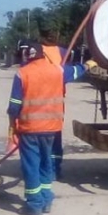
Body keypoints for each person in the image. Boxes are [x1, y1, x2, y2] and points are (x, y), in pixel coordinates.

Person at [7, 40, 95, 215]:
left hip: (30, 129)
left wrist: (12, 126)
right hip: (52, 129)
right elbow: (76, 71)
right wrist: (88, 64)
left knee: (31, 166)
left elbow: (14, 106)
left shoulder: (22, 74)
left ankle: (34, 204)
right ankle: (46, 199)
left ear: (26, 55)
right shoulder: (57, 70)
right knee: (46, 164)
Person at [40, 29, 69, 180]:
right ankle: (53, 170)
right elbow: (67, 73)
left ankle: (47, 169)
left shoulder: (37, 51)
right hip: (55, 99)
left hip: (39, 98)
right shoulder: (63, 52)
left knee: (40, 136)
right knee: (54, 135)